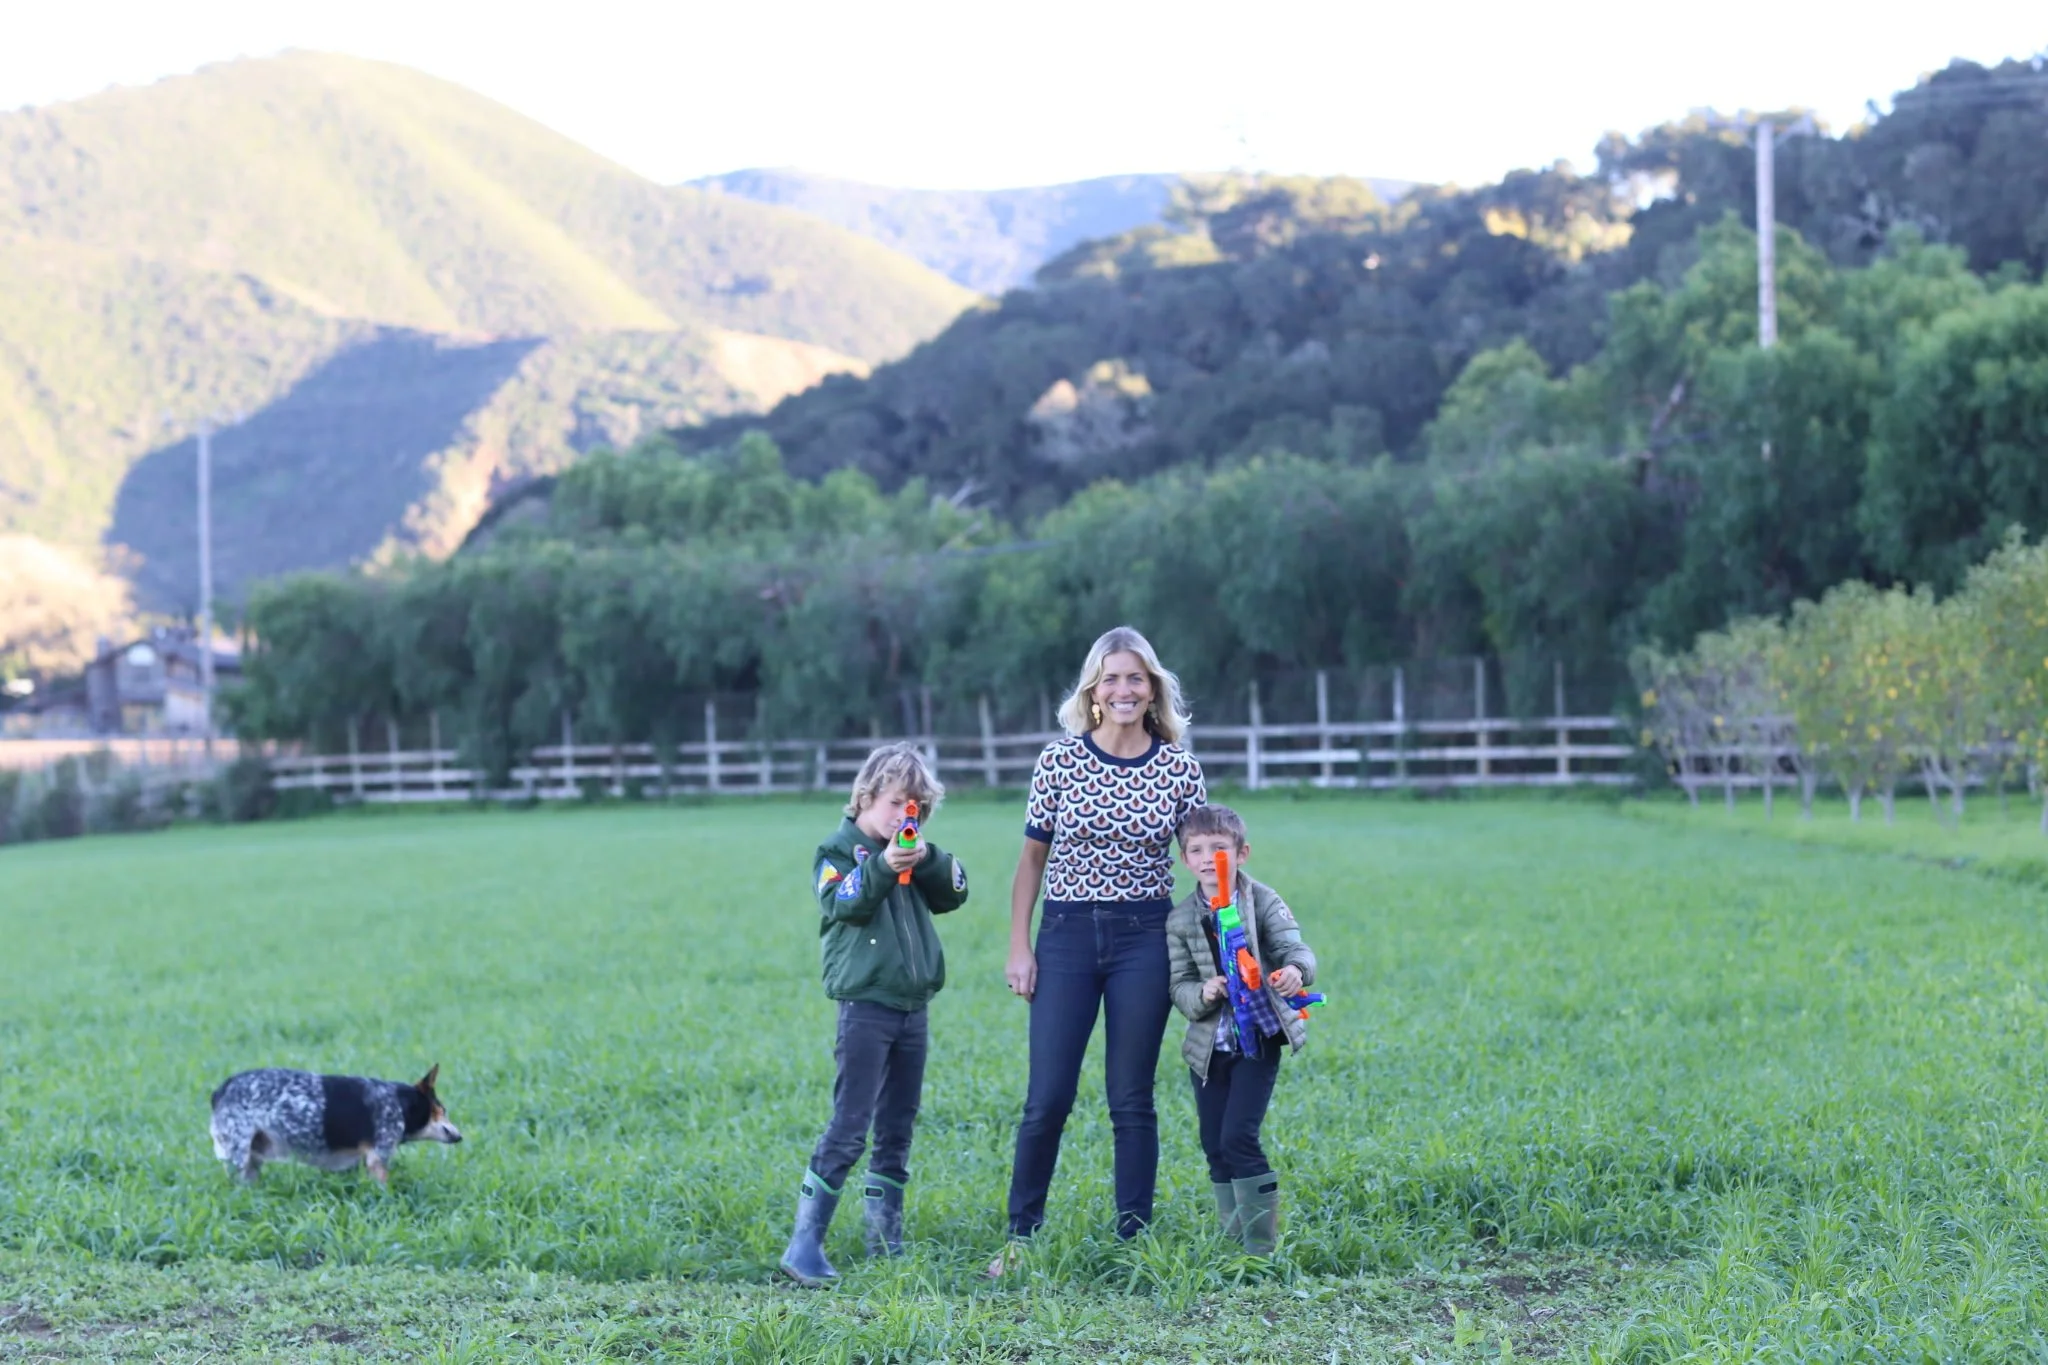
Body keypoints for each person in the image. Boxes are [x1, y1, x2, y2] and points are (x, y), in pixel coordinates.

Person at [993, 625, 1207, 1274]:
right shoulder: (1058, 761)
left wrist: (1229, 938)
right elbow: (1031, 861)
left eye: (1135, 678)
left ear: (1152, 690)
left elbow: (1202, 864)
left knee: (1130, 1096)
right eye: (1111, 677)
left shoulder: (1179, 768)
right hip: (1064, 938)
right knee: (1048, 1096)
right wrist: (1019, 947)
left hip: (1146, 937)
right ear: (1093, 689)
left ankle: (1133, 1242)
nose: (1123, 689)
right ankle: (1020, 1237)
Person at [780, 742, 970, 1286]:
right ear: (865, 796)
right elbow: (843, 902)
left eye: (914, 808)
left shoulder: (910, 849)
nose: (902, 816)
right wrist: (884, 866)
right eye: (894, 804)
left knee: (897, 1127)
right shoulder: (838, 851)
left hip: (913, 1007)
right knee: (849, 1127)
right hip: (865, 1006)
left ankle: (885, 1239)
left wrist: (925, 857)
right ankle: (804, 1245)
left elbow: (957, 891)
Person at [1166, 803, 1318, 1256]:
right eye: (1197, 850)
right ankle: (1233, 1242)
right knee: (1214, 1143)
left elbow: (1298, 949)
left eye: (1220, 848)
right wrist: (1205, 992)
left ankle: (1260, 1248)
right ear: (1185, 859)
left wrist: (1294, 971)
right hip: (1209, 1049)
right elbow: (1178, 986)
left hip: (1258, 1039)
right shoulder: (1179, 920)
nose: (1209, 858)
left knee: (1239, 1137)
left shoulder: (1264, 900)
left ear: (1242, 853)